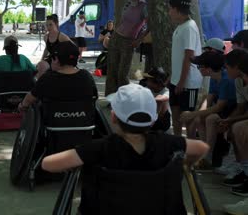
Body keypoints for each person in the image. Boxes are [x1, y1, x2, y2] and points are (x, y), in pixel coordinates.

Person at [41, 83, 209, 215]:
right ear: (152, 120)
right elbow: (201, 147)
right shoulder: (169, 144)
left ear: (113, 117)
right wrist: (186, 163)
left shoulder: (98, 148)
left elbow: (48, 164)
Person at [180, 51, 236, 169]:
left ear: (208, 68)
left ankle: (207, 156)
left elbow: (219, 107)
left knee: (210, 118)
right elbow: (209, 101)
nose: (198, 69)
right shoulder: (213, 78)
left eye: (199, 66)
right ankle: (199, 153)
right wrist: (195, 115)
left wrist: (194, 113)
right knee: (199, 118)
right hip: (222, 111)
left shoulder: (226, 80)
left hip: (231, 111)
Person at [19, 41, 97, 110]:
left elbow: (29, 100)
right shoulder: (87, 76)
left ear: (56, 59)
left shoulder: (47, 78)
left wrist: (22, 106)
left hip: (52, 124)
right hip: (85, 123)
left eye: (51, 59)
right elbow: (94, 97)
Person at [168, 0, 203, 136]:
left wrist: (181, 82)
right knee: (175, 115)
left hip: (188, 82)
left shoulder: (189, 27)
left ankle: (191, 149)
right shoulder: (181, 26)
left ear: (176, 9)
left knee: (188, 117)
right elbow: (178, 56)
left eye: (170, 9)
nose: (169, 12)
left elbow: (189, 56)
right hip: (176, 80)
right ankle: (178, 145)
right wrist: (172, 77)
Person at [105, 0, 148, 96]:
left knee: (122, 73)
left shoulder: (144, 7)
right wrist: (111, 36)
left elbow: (149, 26)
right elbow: (122, 22)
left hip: (129, 41)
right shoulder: (127, 4)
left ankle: (125, 99)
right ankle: (110, 98)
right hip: (116, 38)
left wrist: (139, 40)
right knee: (111, 70)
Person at [217, 50, 248, 195]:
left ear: (237, 67)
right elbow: (240, 108)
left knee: (239, 128)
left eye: (227, 67)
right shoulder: (238, 81)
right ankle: (244, 170)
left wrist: (230, 120)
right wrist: (227, 122)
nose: (225, 70)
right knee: (234, 129)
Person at [36, 14, 71, 79]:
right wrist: (42, 60)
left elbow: (73, 49)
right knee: (40, 66)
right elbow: (46, 49)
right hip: (52, 59)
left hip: (62, 61)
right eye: (47, 25)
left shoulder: (62, 37)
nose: (48, 27)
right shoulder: (46, 37)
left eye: (50, 25)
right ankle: (40, 86)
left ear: (56, 24)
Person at [142, 67, 171, 132]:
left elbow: (162, 98)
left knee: (160, 100)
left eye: (149, 80)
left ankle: (152, 124)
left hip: (162, 120)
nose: (146, 81)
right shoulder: (146, 89)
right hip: (149, 116)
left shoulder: (166, 91)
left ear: (157, 82)